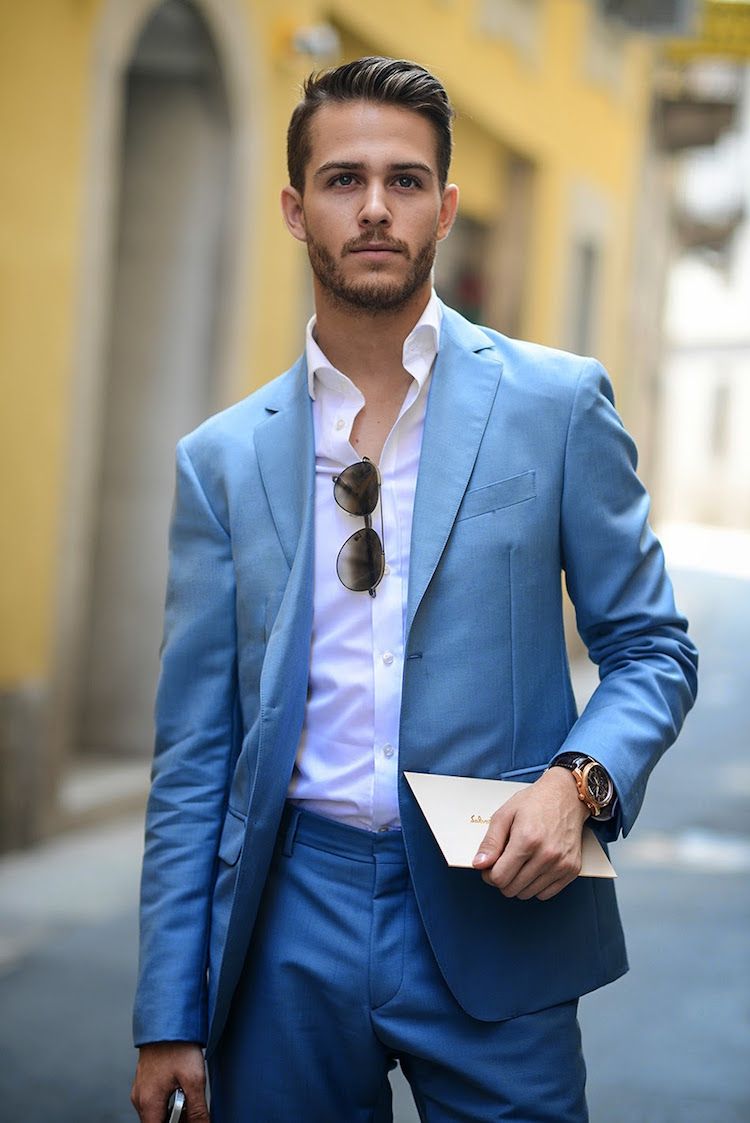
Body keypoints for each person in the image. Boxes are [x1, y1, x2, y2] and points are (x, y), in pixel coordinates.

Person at [131, 56, 698, 1123]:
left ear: (446, 205)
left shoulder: (557, 405)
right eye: (343, 180)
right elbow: (196, 754)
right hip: (289, 917)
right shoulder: (221, 461)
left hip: (500, 902)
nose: (375, 207)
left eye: (405, 180)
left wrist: (576, 783)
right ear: (295, 210)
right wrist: (168, 1010)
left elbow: (652, 647)